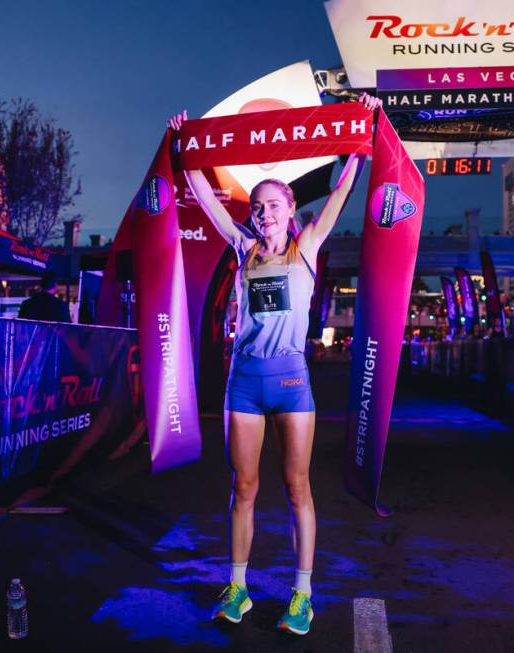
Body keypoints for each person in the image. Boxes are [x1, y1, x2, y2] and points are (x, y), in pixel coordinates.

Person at [168, 92, 382, 636]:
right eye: (257, 207)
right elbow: (207, 199)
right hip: (244, 383)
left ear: (291, 209)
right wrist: (183, 148)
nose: (264, 213)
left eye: (274, 205)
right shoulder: (242, 250)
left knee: (297, 489)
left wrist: (358, 137)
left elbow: (340, 193)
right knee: (243, 489)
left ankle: (302, 595)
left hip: (290, 383)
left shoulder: (307, 246)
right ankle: (237, 587)